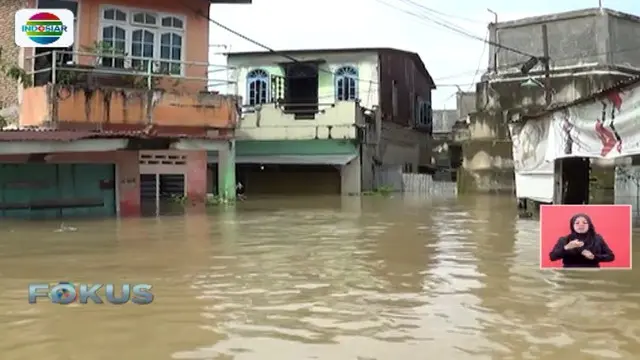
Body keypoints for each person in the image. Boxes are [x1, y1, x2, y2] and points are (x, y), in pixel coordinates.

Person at [548, 213, 615, 268]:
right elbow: (552, 257)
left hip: (593, 275)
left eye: (584, 223)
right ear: (572, 225)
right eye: (577, 223)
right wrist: (566, 247)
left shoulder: (597, 238)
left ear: (589, 225)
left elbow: (611, 256)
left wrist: (594, 257)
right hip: (569, 275)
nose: (581, 225)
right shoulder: (564, 239)